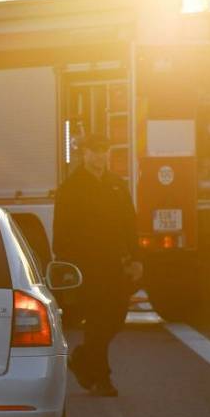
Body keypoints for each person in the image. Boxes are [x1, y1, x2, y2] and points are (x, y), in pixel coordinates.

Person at [52, 133, 142, 397]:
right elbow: (61, 232)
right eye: (94, 150)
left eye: (104, 150)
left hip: (116, 265)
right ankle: (102, 378)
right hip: (88, 267)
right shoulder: (71, 188)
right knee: (97, 322)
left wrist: (137, 258)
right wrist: (69, 266)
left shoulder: (116, 184)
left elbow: (130, 224)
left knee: (116, 318)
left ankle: (81, 358)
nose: (100, 155)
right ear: (84, 154)